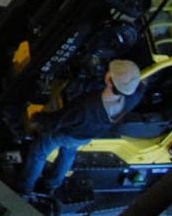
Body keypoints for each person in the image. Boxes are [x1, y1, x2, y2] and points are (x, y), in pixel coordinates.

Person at [16, 58, 145, 206]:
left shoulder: (87, 106)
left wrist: (38, 118)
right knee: (69, 153)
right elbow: (141, 87)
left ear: (109, 80)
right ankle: (52, 185)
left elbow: (57, 121)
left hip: (67, 134)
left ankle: (25, 188)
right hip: (86, 136)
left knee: (39, 151)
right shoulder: (132, 98)